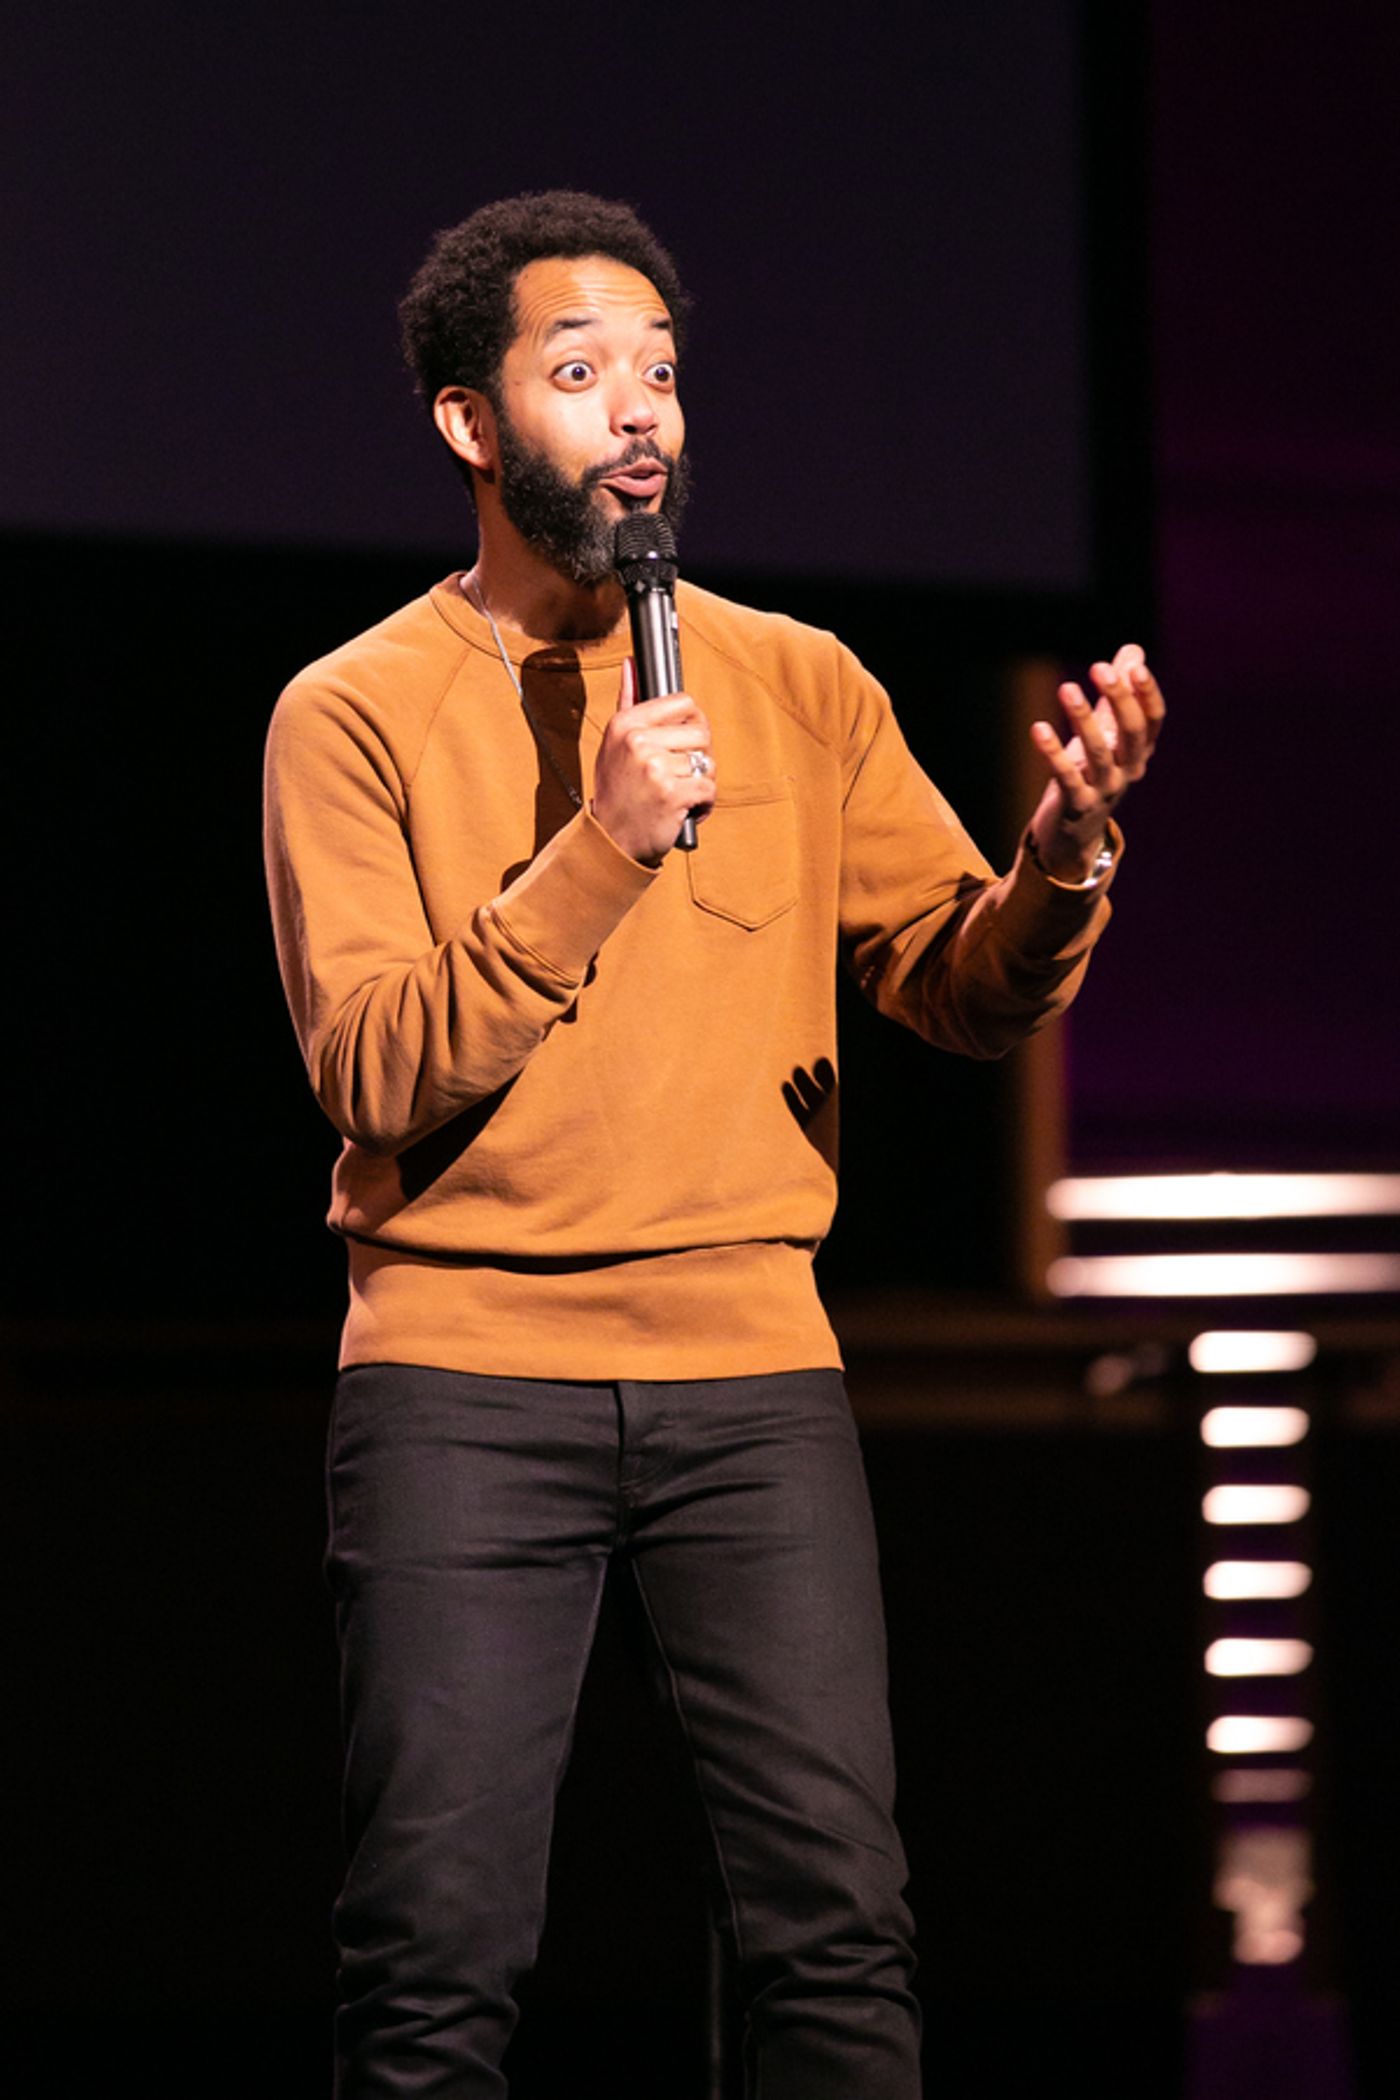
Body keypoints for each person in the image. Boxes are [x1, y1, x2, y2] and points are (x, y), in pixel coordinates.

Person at [263, 190, 1164, 2100]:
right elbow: (374, 1068)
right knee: (432, 1959)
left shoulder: (798, 681)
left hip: (754, 1378)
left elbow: (958, 983)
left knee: (837, 1935)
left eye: (662, 374)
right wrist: (595, 850)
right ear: (470, 425)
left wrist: (1065, 862)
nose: (641, 413)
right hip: (460, 1381)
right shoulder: (345, 714)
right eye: (581, 376)